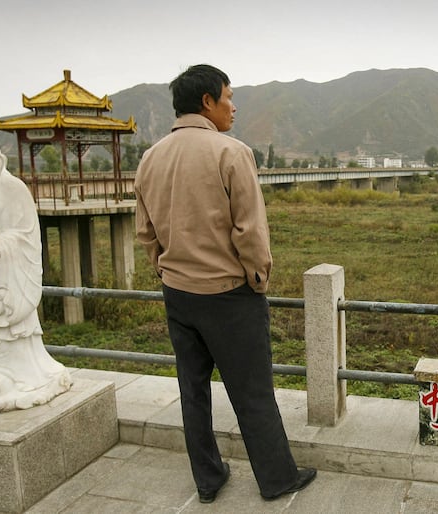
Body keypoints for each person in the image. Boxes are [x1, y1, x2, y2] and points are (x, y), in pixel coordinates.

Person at [134, 64, 316, 503]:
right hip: (229, 295)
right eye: (229, 97)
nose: (234, 107)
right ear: (207, 102)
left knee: (192, 390)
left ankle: (208, 479)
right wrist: (258, 279)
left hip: (178, 294)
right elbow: (250, 231)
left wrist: (165, 269)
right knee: (252, 391)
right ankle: (276, 478)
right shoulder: (232, 153)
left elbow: (145, 231)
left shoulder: (150, 157)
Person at [0, 135, 72, 412]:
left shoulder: (12, 188)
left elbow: (26, 236)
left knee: (10, 340)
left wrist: (2, 246)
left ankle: (20, 374)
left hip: (6, 279)